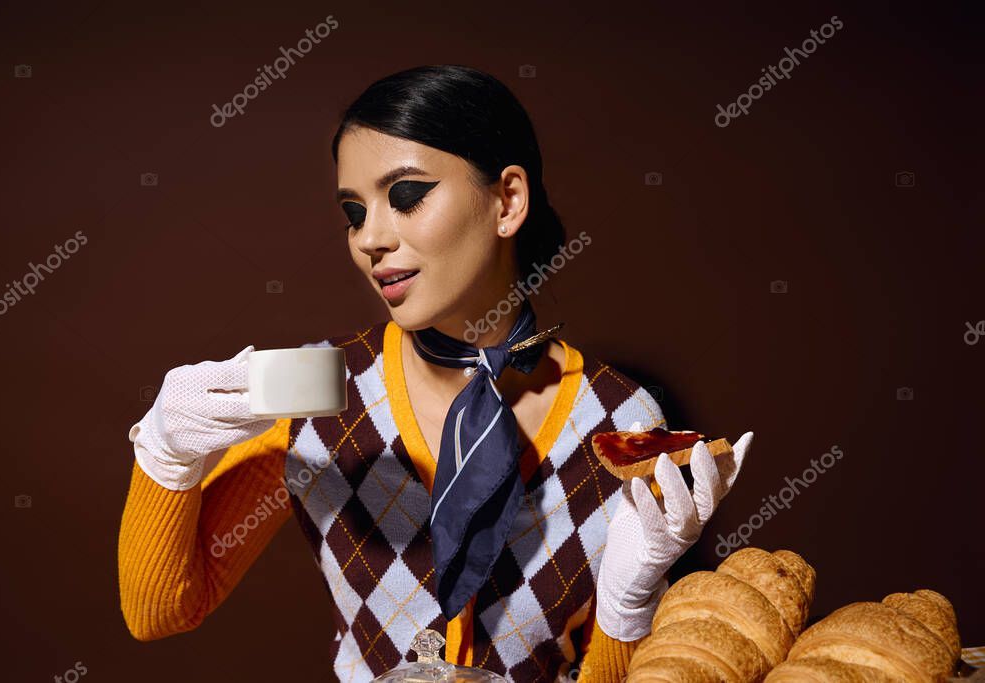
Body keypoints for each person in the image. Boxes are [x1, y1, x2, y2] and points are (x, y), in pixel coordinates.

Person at [117, 64, 753, 682]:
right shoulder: (313, 385)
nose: (371, 238)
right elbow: (161, 612)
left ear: (507, 200)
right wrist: (166, 456)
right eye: (353, 211)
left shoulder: (623, 420)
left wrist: (626, 608)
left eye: (406, 196)